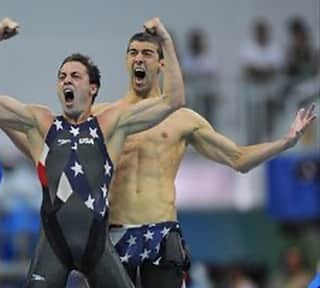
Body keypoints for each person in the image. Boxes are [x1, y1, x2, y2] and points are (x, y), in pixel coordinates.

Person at [2, 18, 318, 288]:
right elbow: (46, 152)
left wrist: (285, 143)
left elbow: (238, 159)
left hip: (161, 231)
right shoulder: (101, 118)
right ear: (126, 61)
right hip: (112, 234)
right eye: (133, 53)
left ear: (161, 62)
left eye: (147, 54)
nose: (139, 59)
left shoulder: (182, 119)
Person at [0, 17, 184, 287]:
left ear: (93, 88)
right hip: (53, 245)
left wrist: (165, 40)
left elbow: (174, 100)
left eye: (75, 76)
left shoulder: (111, 125)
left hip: (97, 248)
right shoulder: (41, 122)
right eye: (62, 76)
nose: (67, 81)